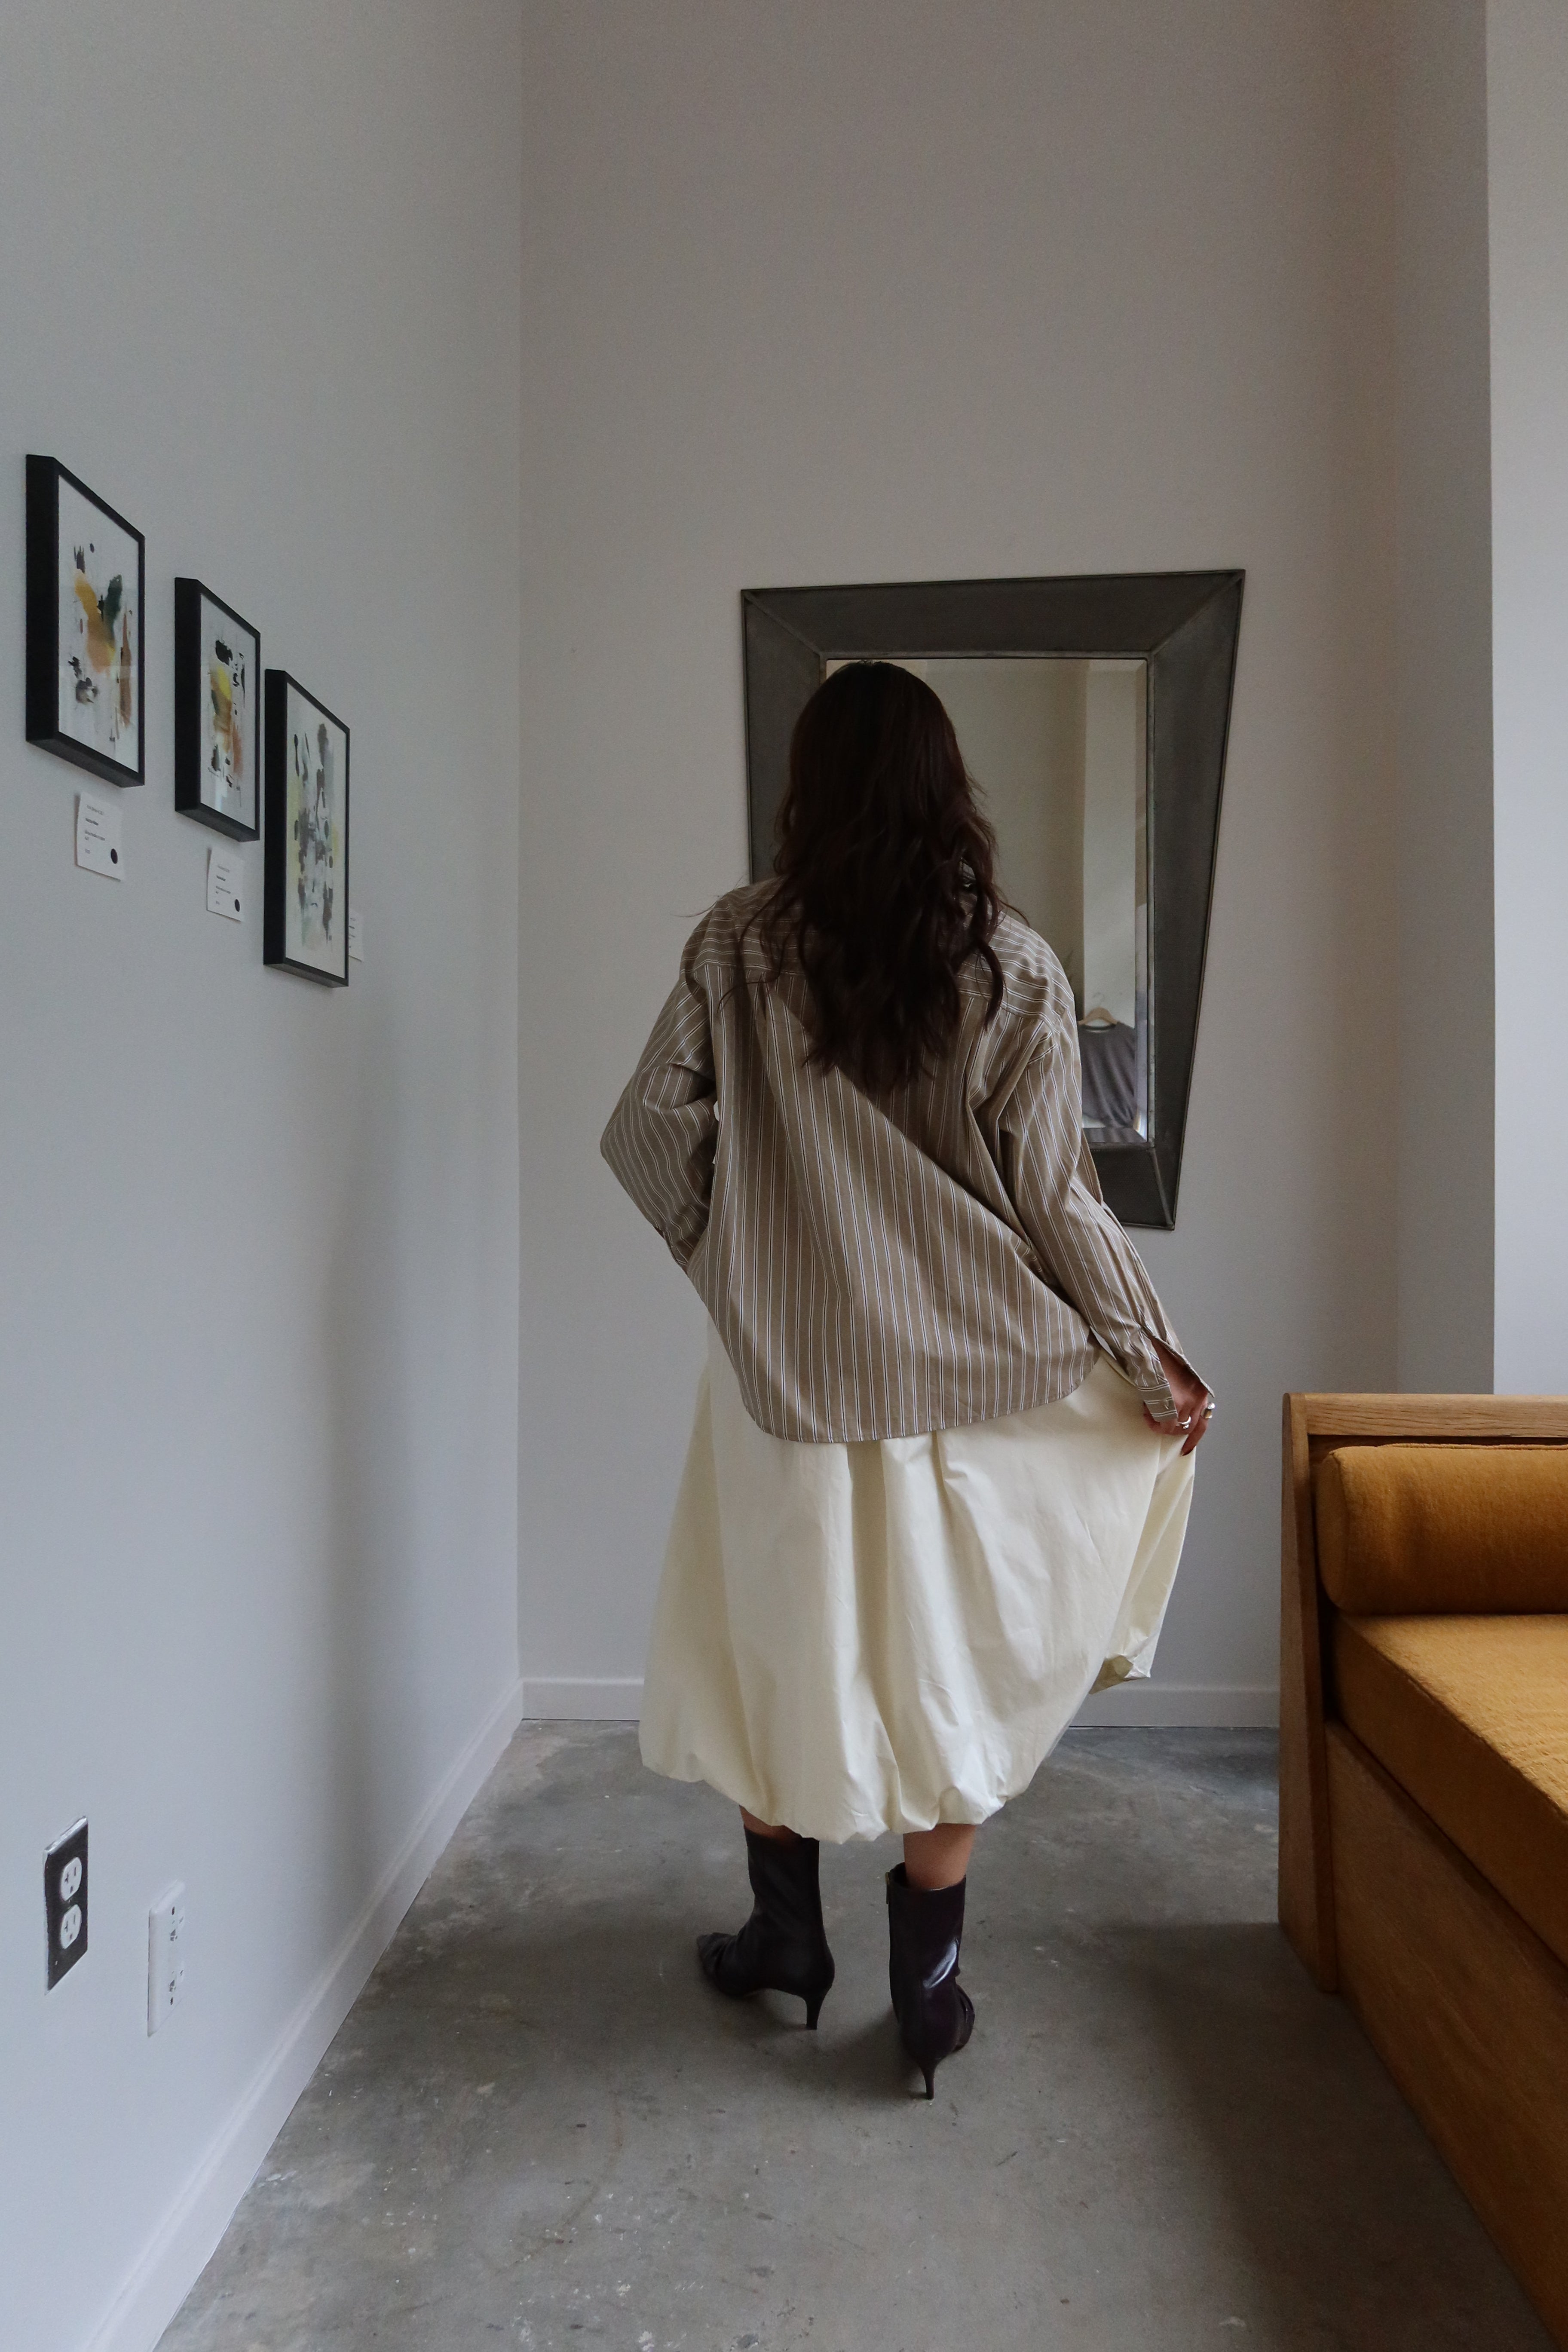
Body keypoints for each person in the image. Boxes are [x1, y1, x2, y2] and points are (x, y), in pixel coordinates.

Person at [601, 661, 1211, 2098]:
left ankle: (785, 1942)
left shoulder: (736, 946)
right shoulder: (1016, 969)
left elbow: (644, 1136)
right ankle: (927, 1993)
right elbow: (1059, 1200)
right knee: (949, 1671)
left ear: (807, 788)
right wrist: (1147, 1353)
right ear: (953, 790)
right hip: (977, 1389)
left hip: (786, 1391)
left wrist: (739, 1262)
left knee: (774, 1655)